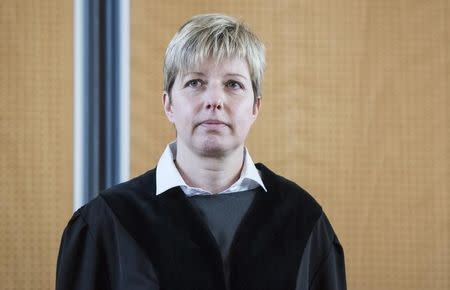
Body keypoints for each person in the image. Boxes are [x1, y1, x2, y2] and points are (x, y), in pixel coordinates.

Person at [56, 13, 346, 290]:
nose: (214, 100)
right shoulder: (105, 224)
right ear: (168, 104)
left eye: (233, 84)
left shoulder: (303, 220)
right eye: (195, 83)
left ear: (256, 106)